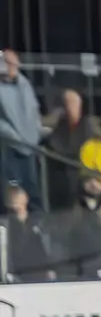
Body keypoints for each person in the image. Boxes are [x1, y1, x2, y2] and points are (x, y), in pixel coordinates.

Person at [0, 49, 44, 209]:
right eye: (8, 63)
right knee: (11, 194)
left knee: (32, 190)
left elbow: (34, 110)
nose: (12, 66)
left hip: (29, 146)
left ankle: (37, 229)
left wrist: (35, 134)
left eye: (14, 63)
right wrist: (14, 137)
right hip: (8, 147)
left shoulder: (24, 84)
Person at [1, 183, 60, 281]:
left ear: (25, 198)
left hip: (39, 273)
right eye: (12, 198)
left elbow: (47, 247)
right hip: (17, 274)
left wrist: (50, 268)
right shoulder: (5, 225)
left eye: (17, 197)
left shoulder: (38, 222)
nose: (16, 202)